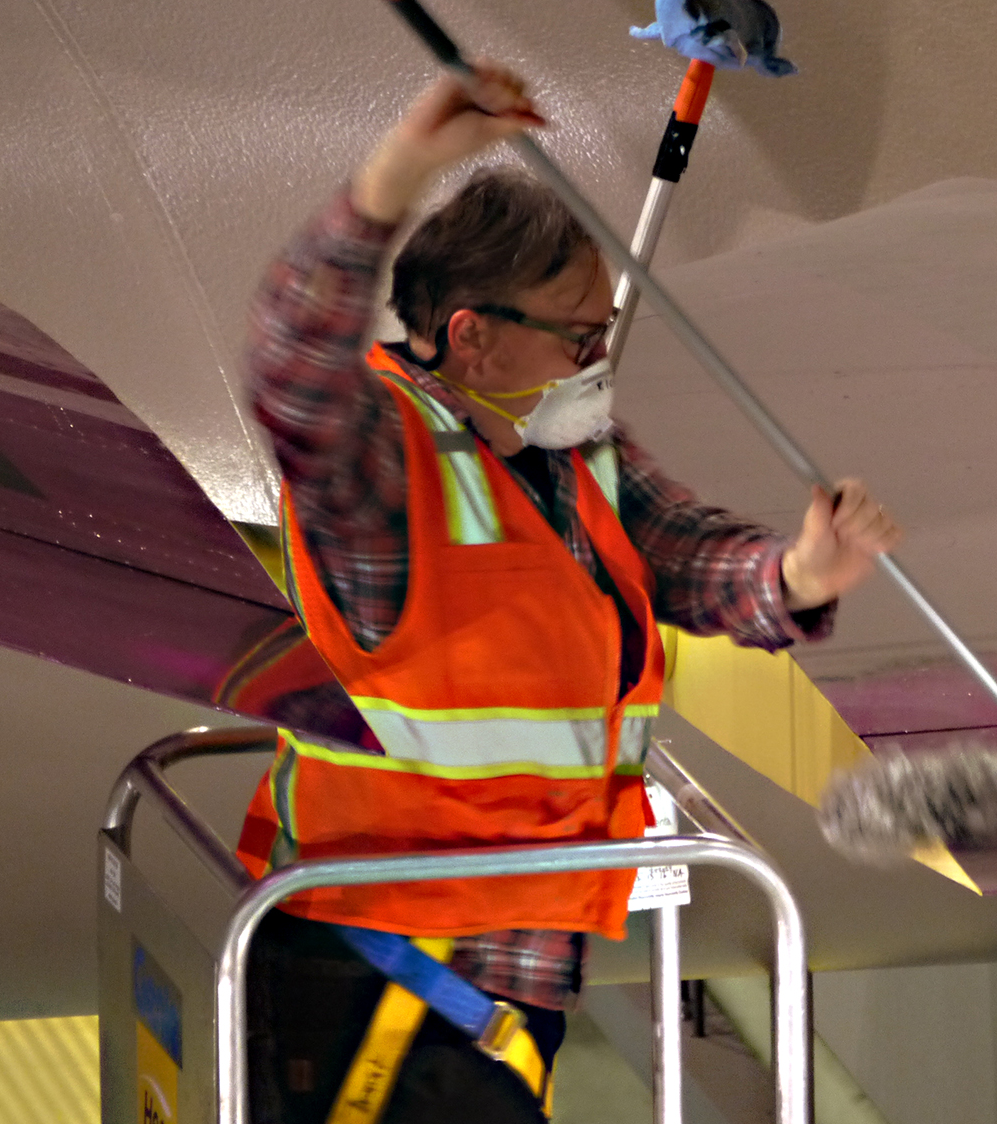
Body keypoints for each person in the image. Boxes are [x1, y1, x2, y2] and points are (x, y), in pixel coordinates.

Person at [233, 59, 900, 1123]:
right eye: (576, 335)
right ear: (472, 337)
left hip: (508, 954)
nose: (598, 359)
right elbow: (289, 374)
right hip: (387, 965)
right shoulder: (382, 474)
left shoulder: (566, 443)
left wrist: (796, 576)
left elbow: (676, 548)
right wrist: (392, 178)